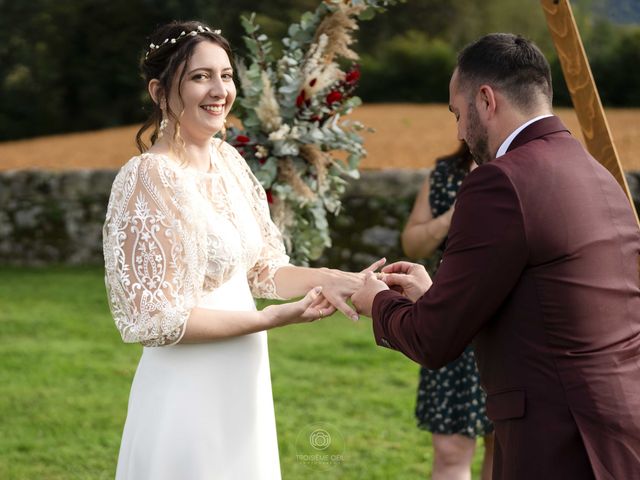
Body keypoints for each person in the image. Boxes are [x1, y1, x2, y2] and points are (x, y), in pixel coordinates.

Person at [352, 33, 640, 479]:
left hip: (559, 442)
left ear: (485, 100)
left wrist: (376, 302)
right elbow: (548, 299)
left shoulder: (499, 182)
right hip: (621, 431)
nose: (460, 132)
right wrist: (436, 293)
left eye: (457, 113)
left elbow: (434, 340)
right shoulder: (599, 174)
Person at [103, 20, 380, 480]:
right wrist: (270, 319)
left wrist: (335, 279)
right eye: (200, 76)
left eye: (226, 75)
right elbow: (154, 319)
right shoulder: (147, 179)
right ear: (159, 90)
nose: (219, 90)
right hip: (186, 390)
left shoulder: (229, 162)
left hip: (242, 381)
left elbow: (264, 270)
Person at [402, 142, 494, 480]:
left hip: (508, 324)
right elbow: (412, 244)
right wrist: (454, 215)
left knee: (506, 448)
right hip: (453, 322)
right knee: (450, 449)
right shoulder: (444, 175)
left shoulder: (529, 170)